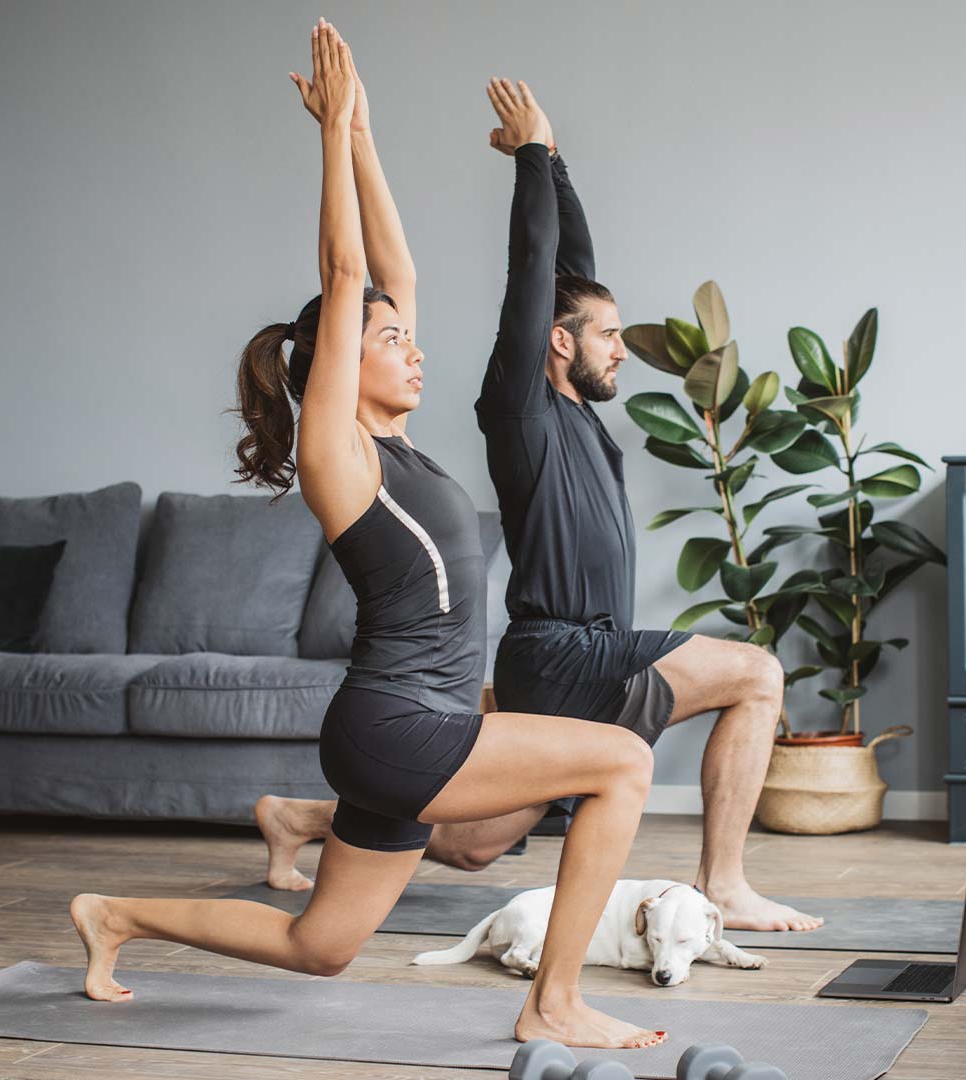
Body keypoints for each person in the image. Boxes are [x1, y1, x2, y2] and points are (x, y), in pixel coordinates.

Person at [69, 21, 666, 1051]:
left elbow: (391, 272)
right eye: (390, 342)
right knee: (621, 762)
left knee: (321, 946)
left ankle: (112, 916)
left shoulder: (402, 447)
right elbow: (350, 277)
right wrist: (331, 133)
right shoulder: (334, 454)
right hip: (404, 727)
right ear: (341, 364)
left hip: (404, 727)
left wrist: (366, 136)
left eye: (406, 335)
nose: (413, 348)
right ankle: (553, 1003)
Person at [255, 75, 822, 935]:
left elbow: (570, 268)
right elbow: (535, 272)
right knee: (756, 673)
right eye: (604, 336)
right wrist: (526, 158)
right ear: (556, 343)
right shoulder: (520, 407)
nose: (620, 351)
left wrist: (552, 160)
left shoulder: (584, 417)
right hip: (561, 652)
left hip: (589, 656)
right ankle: (726, 884)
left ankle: (305, 819)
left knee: (474, 844)